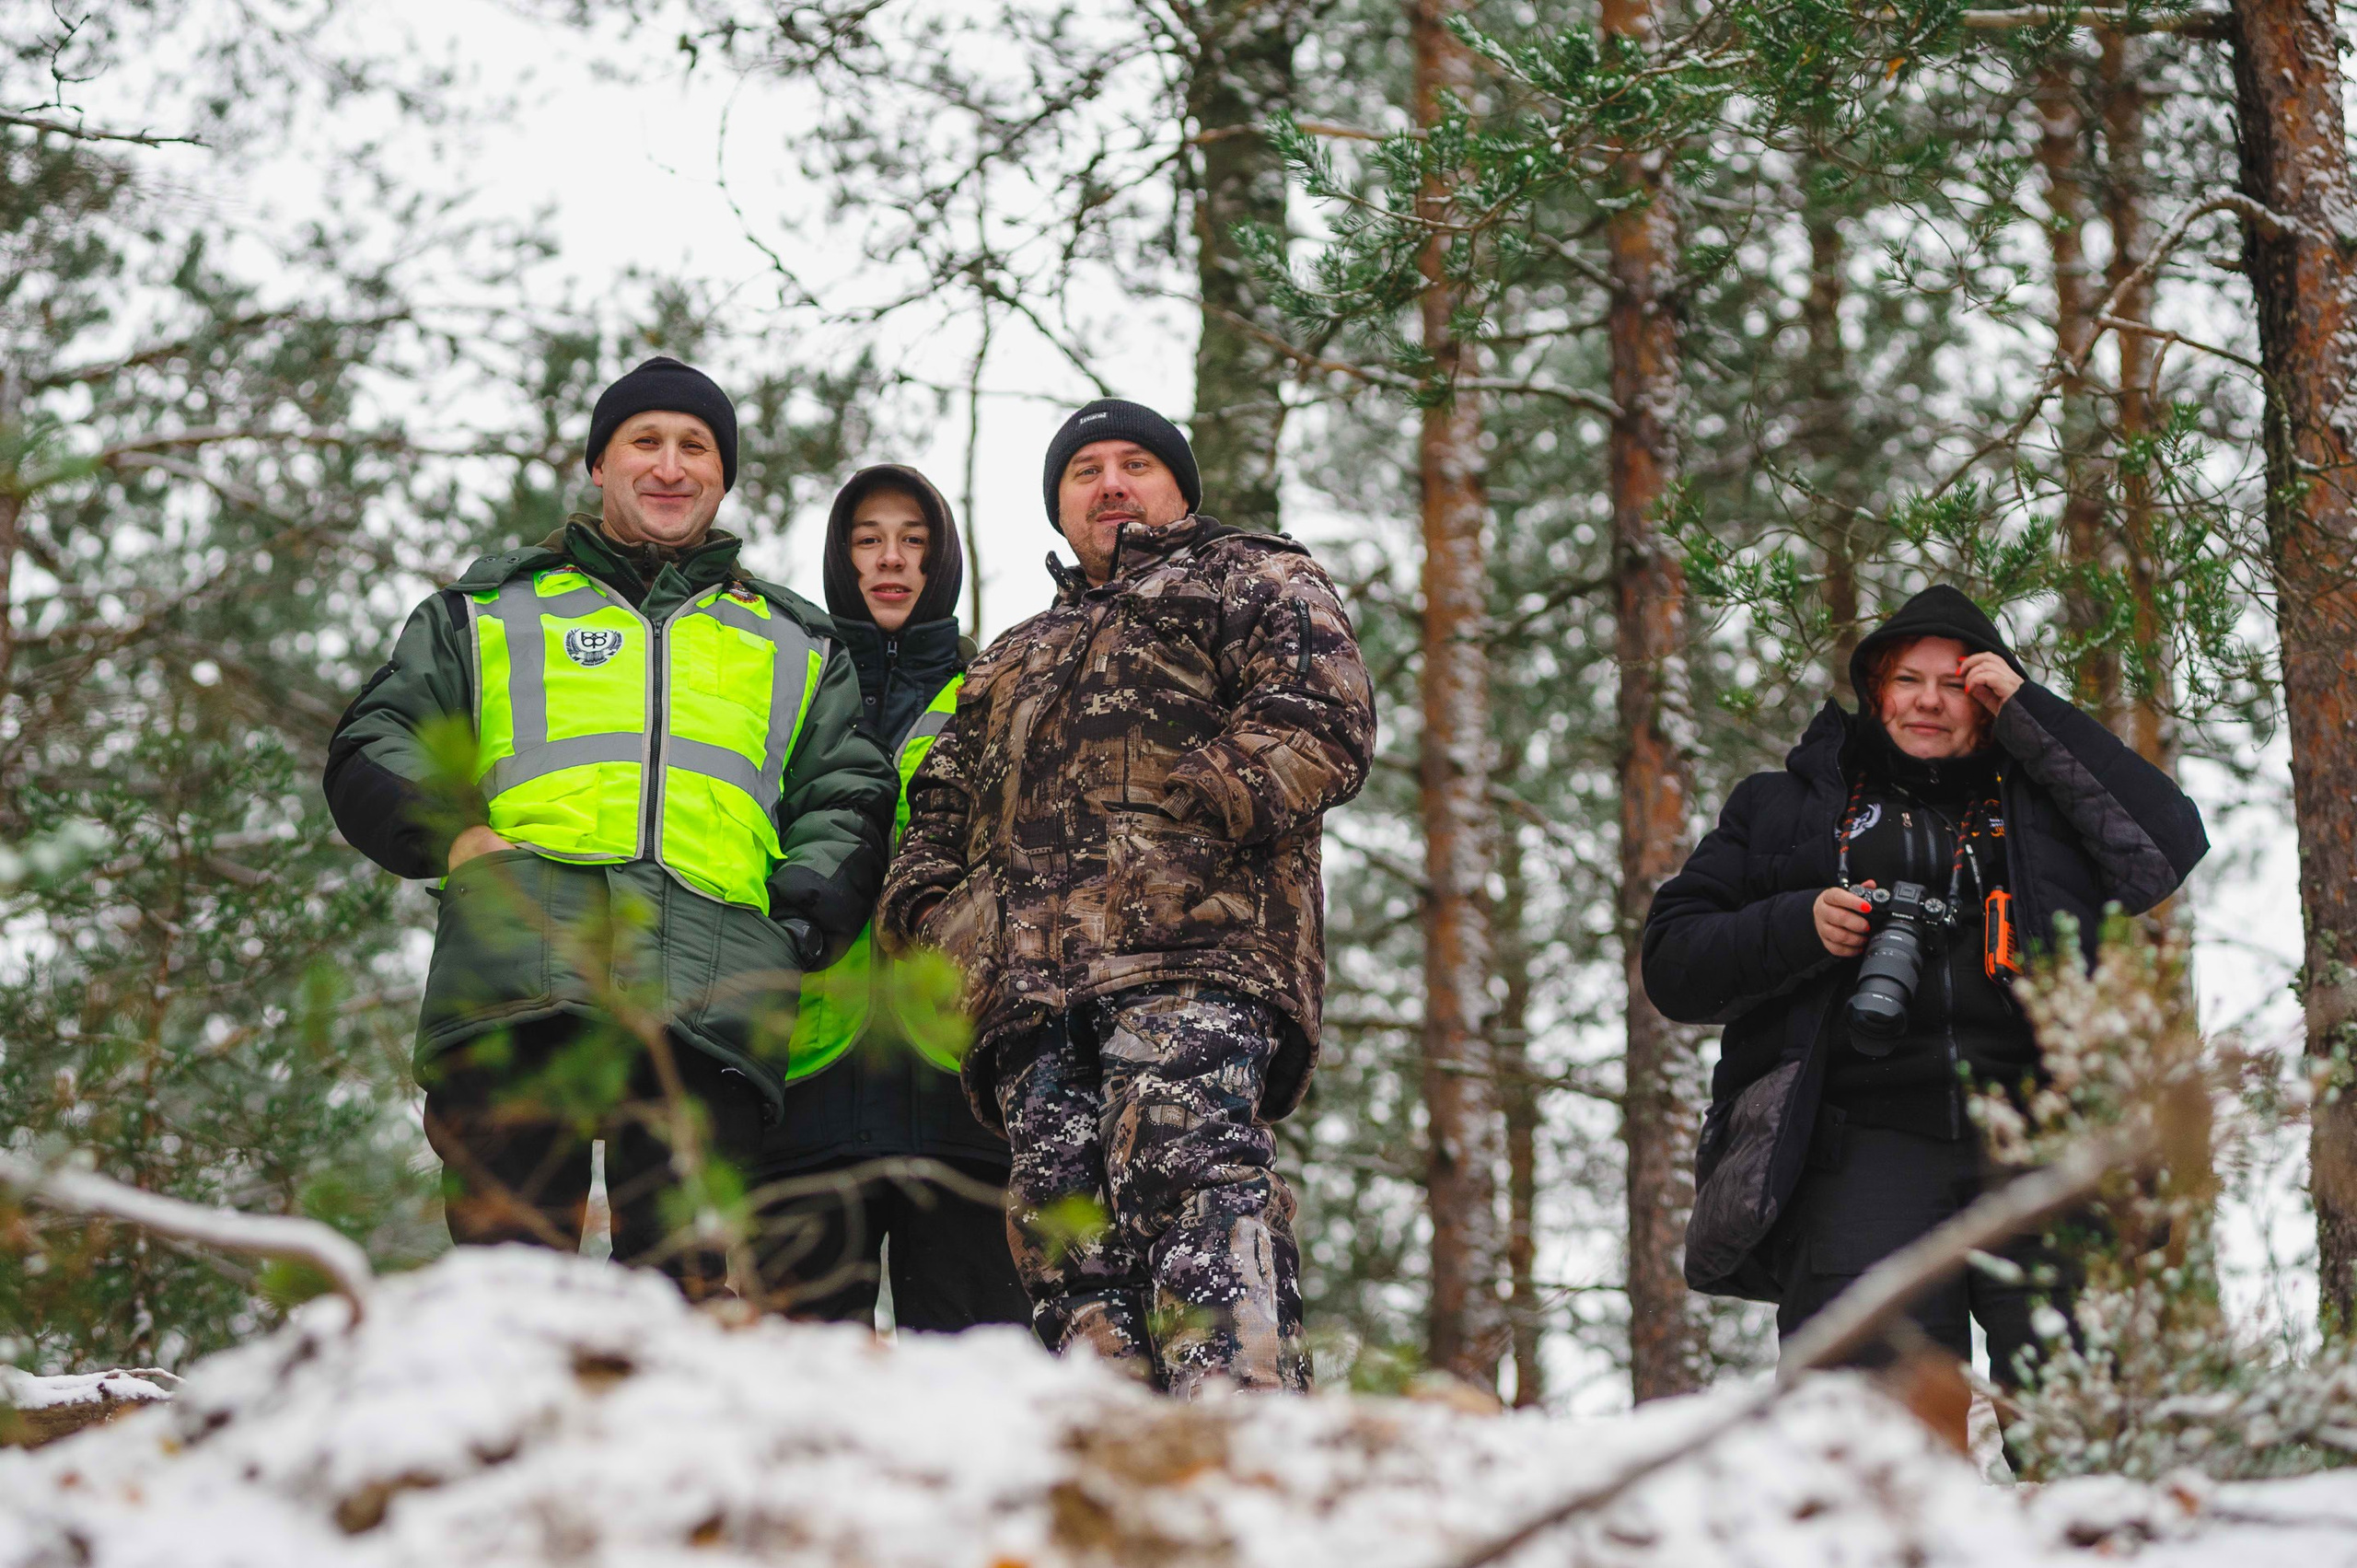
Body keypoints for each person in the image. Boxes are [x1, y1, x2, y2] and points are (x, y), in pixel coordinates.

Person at [324, 356, 897, 1295]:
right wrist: (457, 837)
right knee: (510, 1290)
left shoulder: (794, 638)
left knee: (681, 1299)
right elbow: (378, 737)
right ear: (600, 465)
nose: (670, 466)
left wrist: (793, 929)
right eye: (646, 442)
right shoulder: (492, 608)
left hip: (713, 1001)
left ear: (722, 476)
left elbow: (848, 790)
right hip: (519, 972)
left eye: (695, 447)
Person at [875, 399, 1376, 1395]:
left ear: (1177, 485)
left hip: (1189, 963)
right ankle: (1118, 1475)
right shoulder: (1013, 655)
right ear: (1059, 508)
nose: (1110, 483)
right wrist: (935, 924)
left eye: (1134, 462)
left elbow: (1322, 715)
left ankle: (1242, 1443)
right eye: (1084, 470)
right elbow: (938, 804)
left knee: (1191, 1189)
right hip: (1029, 1005)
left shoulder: (1248, 575)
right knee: (1065, 1247)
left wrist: (1177, 829)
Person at [1644, 586, 2207, 1395]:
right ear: (1875, 690)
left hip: (2042, 1138)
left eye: (1960, 684)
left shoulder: (2046, 804)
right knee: (1875, 1441)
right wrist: (1800, 925)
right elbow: (1672, 959)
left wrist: (2032, 712)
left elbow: (2167, 845)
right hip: (1858, 1146)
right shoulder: (1781, 807)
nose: (1931, 703)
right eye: (1910, 680)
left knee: (2087, 1417)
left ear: (1990, 699)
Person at [749, 464, 1030, 1330]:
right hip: (805, 1086)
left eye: (913, 541)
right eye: (867, 540)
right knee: (794, 1386)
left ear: (940, 559)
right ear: (840, 559)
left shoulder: (997, 694)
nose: (890, 560)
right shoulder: (782, 688)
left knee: (971, 1388)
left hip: (958, 1092)